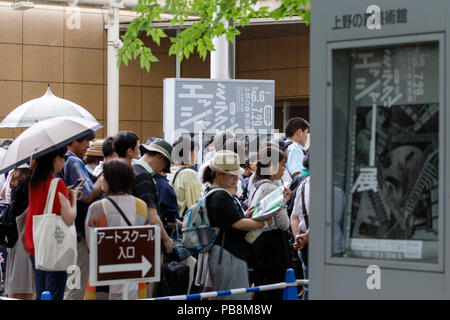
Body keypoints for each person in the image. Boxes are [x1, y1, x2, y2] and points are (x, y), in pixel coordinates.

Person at [201, 150, 272, 300]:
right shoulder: (220, 195)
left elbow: (230, 221)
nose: (236, 178)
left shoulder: (215, 193)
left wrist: (246, 216)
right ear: (219, 174)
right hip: (228, 255)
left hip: (226, 254)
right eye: (232, 175)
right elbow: (238, 224)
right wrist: (265, 222)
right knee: (235, 300)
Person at [85, 159, 149, 300]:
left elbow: (90, 245)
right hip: (135, 273)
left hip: (103, 275)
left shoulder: (96, 208)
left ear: (110, 180)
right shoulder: (142, 206)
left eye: (104, 176)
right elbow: (146, 241)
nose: (101, 180)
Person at [25, 146, 79, 300]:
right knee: (54, 294)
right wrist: (73, 197)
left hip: (35, 243)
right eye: (64, 158)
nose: (64, 161)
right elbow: (69, 218)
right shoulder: (57, 183)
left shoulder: (34, 181)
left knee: (42, 293)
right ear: (56, 158)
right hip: (53, 247)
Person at [113, 132, 173, 255]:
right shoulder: (143, 176)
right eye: (164, 166)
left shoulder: (130, 170)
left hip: (127, 237)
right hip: (143, 240)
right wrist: (166, 239)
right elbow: (151, 215)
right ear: (160, 157)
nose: (162, 170)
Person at [247, 145, 292, 300]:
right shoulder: (272, 189)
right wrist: (284, 203)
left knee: (262, 285)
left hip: (260, 243)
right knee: (273, 290)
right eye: (282, 165)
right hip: (273, 246)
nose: (284, 169)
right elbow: (284, 223)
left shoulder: (257, 185)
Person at [63, 132, 104, 300]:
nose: (88, 145)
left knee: (70, 281)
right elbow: (88, 196)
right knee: (76, 282)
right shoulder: (73, 161)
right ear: (73, 140)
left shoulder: (61, 160)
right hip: (77, 232)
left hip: (65, 229)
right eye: (86, 140)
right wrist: (101, 182)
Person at [3, 166, 35, 300]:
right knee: (23, 289)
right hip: (24, 237)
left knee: (18, 287)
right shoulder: (30, 182)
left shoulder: (16, 177)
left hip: (15, 238)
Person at [291, 154, 311, 300]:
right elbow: (324, 216)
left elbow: (294, 217)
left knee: (308, 286)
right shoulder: (327, 185)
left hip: (303, 244)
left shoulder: (303, 185)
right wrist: (304, 237)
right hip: (315, 243)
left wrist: (298, 236)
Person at [169, 135, 203, 221]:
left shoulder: (169, 171)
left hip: (172, 221)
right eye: (195, 152)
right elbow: (196, 204)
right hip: (184, 224)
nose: (195, 157)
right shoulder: (189, 174)